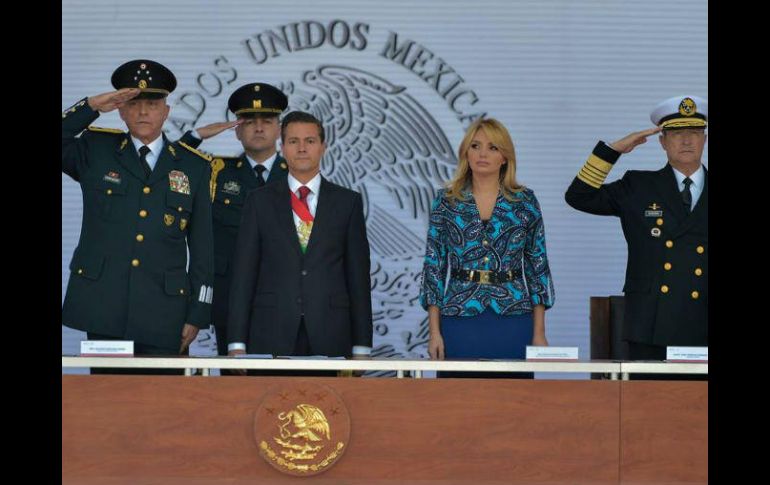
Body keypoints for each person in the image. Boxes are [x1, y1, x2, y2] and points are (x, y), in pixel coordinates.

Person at [61, 59, 215, 374]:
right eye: (134, 103)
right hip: (104, 307)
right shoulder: (96, 150)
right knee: (110, 406)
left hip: (165, 311)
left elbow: (203, 249)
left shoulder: (193, 166)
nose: (143, 111)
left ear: (166, 111)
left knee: (162, 411)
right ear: (120, 109)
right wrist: (90, 106)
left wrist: (198, 312)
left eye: (153, 103)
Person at [565, 95, 708, 367]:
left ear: (705, 139)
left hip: (703, 321)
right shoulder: (639, 186)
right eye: (676, 134)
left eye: (694, 133)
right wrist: (613, 151)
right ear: (662, 142)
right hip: (652, 325)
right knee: (647, 407)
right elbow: (579, 196)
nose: (687, 141)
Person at [226, 111, 373, 375]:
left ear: (323, 147)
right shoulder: (259, 201)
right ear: (282, 148)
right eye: (293, 141)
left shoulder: (347, 202)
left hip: (331, 333)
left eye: (310, 141)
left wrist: (362, 345)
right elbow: (243, 274)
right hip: (271, 331)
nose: (302, 148)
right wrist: (237, 341)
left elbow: (358, 278)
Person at [419, 118, 554, 378]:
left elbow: (538, 267)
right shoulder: (446, 201)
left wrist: (539, 334)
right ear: (465, 153)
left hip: (513, 318)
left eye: (493, 148)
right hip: (459, 316)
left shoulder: (524, 201)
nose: (483, 154)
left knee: (513, 402)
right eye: (475, 146)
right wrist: (434, 332)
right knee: (458, 402)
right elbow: (433, 267)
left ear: (505, 157)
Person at [179, 83, 289, 364]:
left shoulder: (298, 174)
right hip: (231, 299)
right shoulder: (217, 172)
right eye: (249, 122)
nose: (259, 128)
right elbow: (170, 163)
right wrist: (196, 135)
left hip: (286, 296)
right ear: (237, 130)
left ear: (279, 129)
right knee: (235, 392)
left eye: (267, 121)